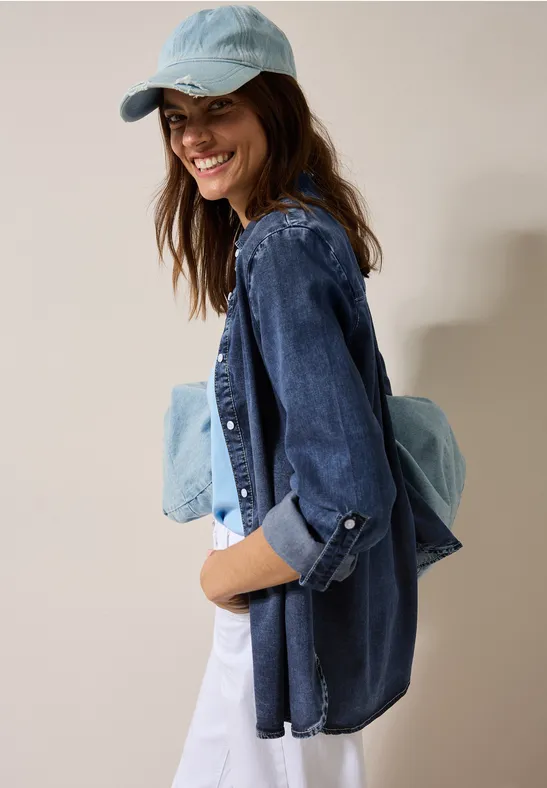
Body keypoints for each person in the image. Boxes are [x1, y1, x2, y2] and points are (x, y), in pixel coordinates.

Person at [119, 5, 463, 787]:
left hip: (279, 600)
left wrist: (222, 574)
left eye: (218, 107)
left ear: (274, 108)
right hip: (277, 599)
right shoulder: (290, 233)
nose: (193, 137)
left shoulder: (281, 250)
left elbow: (348, 495)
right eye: (176, 118)